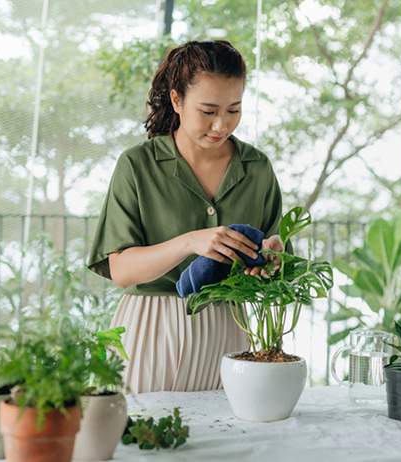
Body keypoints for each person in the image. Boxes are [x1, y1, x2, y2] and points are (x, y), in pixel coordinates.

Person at [88, 40, 286, 393]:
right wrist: (191, 242)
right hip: (149, 330)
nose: (221, 125)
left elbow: (276, 260)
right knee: (142, 440)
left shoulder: (257, 169)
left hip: (228, 329)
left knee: (228, 441)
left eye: (234, 109)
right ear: (177, 100)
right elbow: (121, 270)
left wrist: (272, 257)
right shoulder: (137, 166)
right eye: (208, 111)